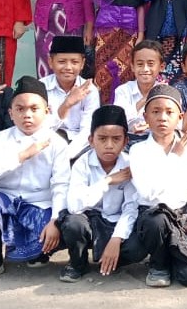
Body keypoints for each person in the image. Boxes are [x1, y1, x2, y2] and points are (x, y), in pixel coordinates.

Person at [0, 76, 70, 284]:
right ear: (11, 113)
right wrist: (22, 156)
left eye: (34, 109)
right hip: (5, 202)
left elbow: (61, 185)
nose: (27, 115)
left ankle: (38, 252)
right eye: (20, 109)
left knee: (62, 225)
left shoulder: (57, 143)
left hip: (40, 205)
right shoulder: (0, 139)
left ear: (47, 111)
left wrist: (55, 221)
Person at [129, 84, 187, 288]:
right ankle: (159, 264)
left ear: (180, 117)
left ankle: (173, 255)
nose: (162, 118)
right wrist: (174, 158)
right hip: (152, 218)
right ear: (146, 117)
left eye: (169, 112)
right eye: (155, 112)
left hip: (182, 216)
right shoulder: (138, 151)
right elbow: (149, 193)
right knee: (157, 220)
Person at [57, 104, 144, 282]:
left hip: (116, 221)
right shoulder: (82, 164)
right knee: (73, 224)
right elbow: (74, 206)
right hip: (88, 220)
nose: (109, 145)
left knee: (137, 247)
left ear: (125, 141)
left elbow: (130, 208)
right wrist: (107, 181)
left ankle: (111, 259)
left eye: (116, 139)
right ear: (91, 140)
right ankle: (78, 263)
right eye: (102, 138)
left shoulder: (130, 165)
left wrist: (116, 239)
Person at [89, 0, 144, 104]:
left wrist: (141, 34)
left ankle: (123, 109)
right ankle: (103, 109)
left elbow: (140, 6)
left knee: (126, 71)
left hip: (129, 32)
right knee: (103, 72)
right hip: (105, 32)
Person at [42, 35, 101, 160]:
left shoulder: (90, 90)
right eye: (61, 62)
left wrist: (66, 156)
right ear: (50, 62)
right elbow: (40, 127)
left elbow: (87, 130)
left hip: (79, 146)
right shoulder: (41, 87)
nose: (68, 67)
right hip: (47, 143)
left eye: (74, 62)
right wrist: (67, 104)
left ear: (82, 64)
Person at [113, 40, 168, 148]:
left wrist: (151, 127)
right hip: (127, 141)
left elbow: (176, 124)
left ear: (161, 66)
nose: (145, 69)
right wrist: (147, 97)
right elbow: (118, 120)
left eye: (151, 64)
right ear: (132, 67)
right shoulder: (123, 90)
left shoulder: (166, 92)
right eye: (140, 64)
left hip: (157, 141)